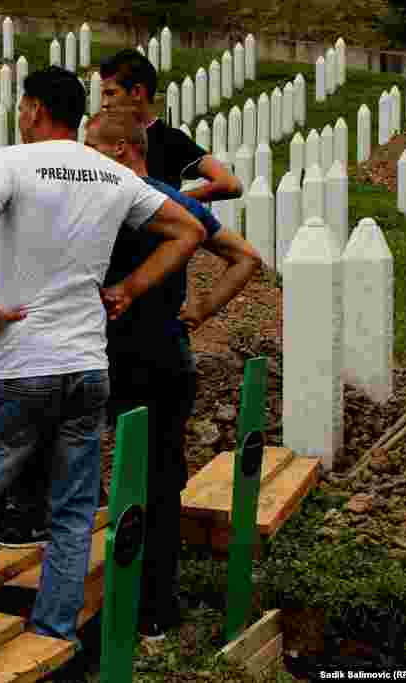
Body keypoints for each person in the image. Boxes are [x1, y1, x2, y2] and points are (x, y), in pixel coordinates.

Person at [0, 65, 206, 643]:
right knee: (71, 514)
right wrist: (132, 289)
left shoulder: (11, 161)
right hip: (87, 367)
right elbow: (188, 231)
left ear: (34, 109)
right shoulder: (110, 174)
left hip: (17, 363)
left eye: (21, 108)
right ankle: (54, 631)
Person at [86, 111, 262, 640]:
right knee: (160, 485)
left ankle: (99, 607)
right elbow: (246, 256)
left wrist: (200, 307)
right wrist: (200, 309)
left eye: (89, 145)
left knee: (90, 479)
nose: (81, 156)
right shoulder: (172, 198)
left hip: (111, 355)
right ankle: (155, 610)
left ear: (120, 150)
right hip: (166, 355)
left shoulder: (110, 199)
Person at [99, 48, 243, 202]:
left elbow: (230, 184)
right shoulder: (100, 140)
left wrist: (170, 202)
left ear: (136, 92)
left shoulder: (170, 141)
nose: (104, 104)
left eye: (111, 93)